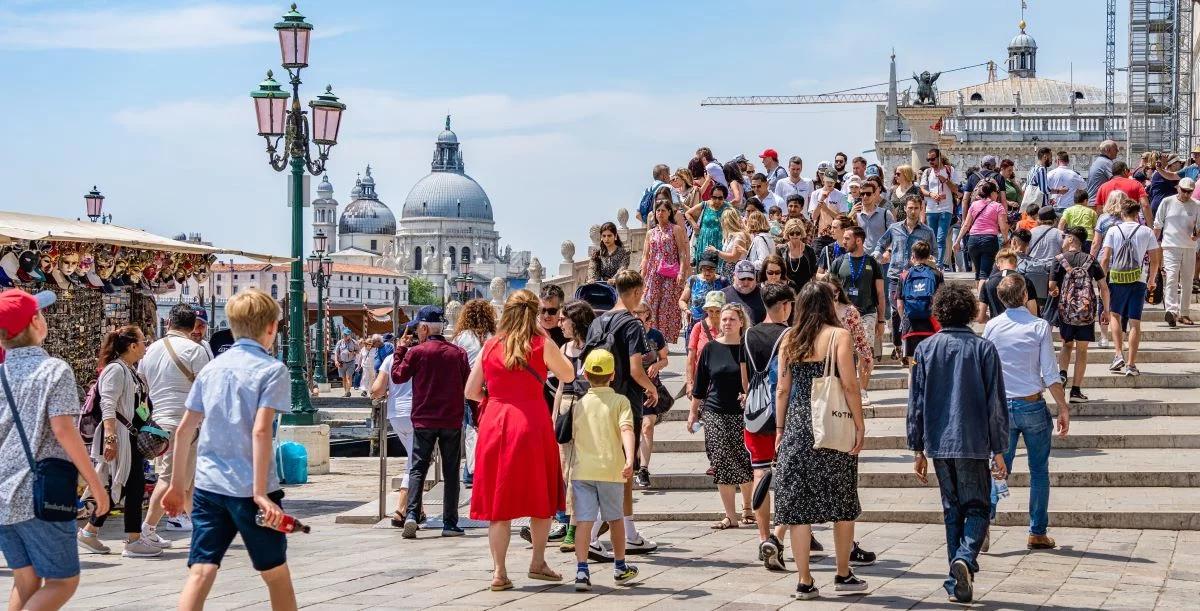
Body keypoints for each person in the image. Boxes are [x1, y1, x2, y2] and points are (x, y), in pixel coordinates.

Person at [161, 288, 297, 610]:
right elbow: (261, 430)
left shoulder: (212, 368)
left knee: (201, 570)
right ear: (271, 328)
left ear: (232, 327)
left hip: (209, 487)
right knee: (275, 573)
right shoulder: (272, 370)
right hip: (250, 489)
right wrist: (261, 493)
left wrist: (178, 487)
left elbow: (184, 430)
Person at [0, 289, 108, 610]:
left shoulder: (2, 373)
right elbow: (64, 431)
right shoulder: (54, 370)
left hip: (4, 494)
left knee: (26, 579)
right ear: (36, 321)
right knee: (63, 581)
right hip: (40, 495)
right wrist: (96, 486)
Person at [467, 290, 577, 590]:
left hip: (495, 423)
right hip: (531, 422)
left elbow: (470, 391)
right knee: (540, 495)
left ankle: (499, 573)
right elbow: (568, 374)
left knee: (498, 504)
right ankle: (537, 562)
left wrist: (495, 399)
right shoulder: (540, 344)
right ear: (534, 314)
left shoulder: (490, 346)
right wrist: (545, 335)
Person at [908, 283, 1008, 604]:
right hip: (973, 440)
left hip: (938, 441)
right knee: (978, 506)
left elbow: (917, 403)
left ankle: (957, 579)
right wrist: (999, 449)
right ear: (968, 311)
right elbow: (996, 404)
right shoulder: (983, 349)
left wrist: (917, 448)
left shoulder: (925, 350)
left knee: (952, 509)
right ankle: (965, 558)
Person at [773, 283, 866, 600]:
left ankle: (805, 581)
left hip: (798, 427)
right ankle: (843, 574)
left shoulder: (789, 338)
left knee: (799, 508)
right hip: (830, 427)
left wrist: (779, 428)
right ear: (828, 304)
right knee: (842, 501)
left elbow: (782, 389)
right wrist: (859, 423)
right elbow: (850, 385)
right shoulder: (839, 336)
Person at [983, 275, 1070, 551]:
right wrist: (1063, 407)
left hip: (1001, 407)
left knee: (998, 469)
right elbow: (1050, 372)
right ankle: (1037, 531)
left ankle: (983, 522)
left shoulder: (992, 327)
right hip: (1031, 403)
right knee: (1039, 471)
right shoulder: (1039, 326)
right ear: (1024, 296)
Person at [584, 271, 659, 559]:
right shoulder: (632, 324)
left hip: (597, 401)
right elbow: (636, 370)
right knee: (624, 468)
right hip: (624, 402)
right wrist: (651, 389)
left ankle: (629, 533)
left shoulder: (596, 322)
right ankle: (596, 536)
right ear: (638, 291)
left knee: (607, 467)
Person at [78, 325, 160, 558]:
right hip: (120, 438)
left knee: (127, 486)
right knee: (122, 484)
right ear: (132, 346)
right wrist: (111, 438)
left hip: (130, 437)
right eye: (144, 341)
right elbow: (108, 405)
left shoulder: (130, 370)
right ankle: (131, 540)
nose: (146, 345)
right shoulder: (116, 370)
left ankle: (93, 532)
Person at [391, 306, 470, 539]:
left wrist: (400, 350)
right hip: (451, 420)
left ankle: (413, 515)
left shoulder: (417, 352)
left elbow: (397, 376)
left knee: (417, 469)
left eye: (418, 327)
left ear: (424, 328)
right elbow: (468, 384)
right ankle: (450, 523)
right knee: (451, 471)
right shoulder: (458, 353)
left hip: (424, 419)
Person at [140, 303, 212, 541]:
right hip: (184, 424)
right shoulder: (195, 350)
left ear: (168, 323)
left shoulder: (150, 350)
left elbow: (142, 382)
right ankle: (146, 531)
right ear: (193, 326)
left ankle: (204, 530)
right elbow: (207, 390)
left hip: (158, 424)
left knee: (187, 480)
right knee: (170, 478)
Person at [570, 349, 640, 591]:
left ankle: (581, 571)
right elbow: (627, 430)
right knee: (615, 520)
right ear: (612, 375)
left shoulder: (579, 404)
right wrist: (630, 458)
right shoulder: (620, 402)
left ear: (586, 375)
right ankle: (620, 567)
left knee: (584, 523)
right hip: (611, 469)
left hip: (583, 471)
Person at [687, 304, 753, 530]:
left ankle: (747, 507)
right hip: (715, 411)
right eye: (724, 319)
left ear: (741, 322)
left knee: (745, 460)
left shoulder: (748, 348)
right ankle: (730, 515)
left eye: (732, 319)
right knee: (721, 461)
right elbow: (700, 384)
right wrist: (693, 412)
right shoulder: (710, 349)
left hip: (743, 412)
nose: (727, 323)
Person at [745, 283, 794, 569]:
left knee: (760, 473)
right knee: (789, 478)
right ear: (785, 305)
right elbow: (785, 385)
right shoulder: (788, 335)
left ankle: (763, 536)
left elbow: (746, 376)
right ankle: (777, 538)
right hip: (781, 415)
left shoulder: (749, 334)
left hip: (754, 411)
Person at [1100, 196, 1162, 376]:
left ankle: (1118, 353)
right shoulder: (1146, 231)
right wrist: (1151, 280)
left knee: (1115, 315)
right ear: (1137, 214)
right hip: (1138, 279)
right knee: (1135, 321)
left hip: (1117, 279)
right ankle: (1131, 364)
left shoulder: (1113, 231)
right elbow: (1154, 259)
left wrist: (1102, 280)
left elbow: (1105, 258)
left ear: (1122, 213)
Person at [554, 300, 596, 552]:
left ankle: (574, 527)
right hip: (568, 407)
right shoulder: (563, 348)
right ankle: (570, 523)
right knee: (566, 470)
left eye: (563, 319)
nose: (560, 323)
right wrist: (554, 418)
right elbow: (560, 387)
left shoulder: (594, 348)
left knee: (581, 470)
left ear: (575, 320)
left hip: (588, 406)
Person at [1050, 226, 1109, 403]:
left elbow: (1052, 286)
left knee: (1066, 345)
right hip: (1086, 312)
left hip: (1066, 311)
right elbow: (1104, 288)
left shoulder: (1059, 259)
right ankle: (1076, 391)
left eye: (1065, 237)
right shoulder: (1091, 260)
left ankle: (1062, 373)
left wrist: (1055, 292)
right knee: (1082, 351)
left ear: (1070, 239)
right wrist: (1105, 310)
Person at [874, 195, 936, 358]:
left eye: (916, 208)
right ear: (905, 208)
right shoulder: (895, 228)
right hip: (896, 275)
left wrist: (931, 262)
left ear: (921, 208)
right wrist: (877, 254)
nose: (913, 211)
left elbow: (935, 253)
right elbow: (881, 243)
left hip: (917, 276)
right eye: (910, 207)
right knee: (896, 310)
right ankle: (898, 344)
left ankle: (909, 342)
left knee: (913, 309)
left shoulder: (927, 231)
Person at [828, 226, 885, 404]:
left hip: (867, 313)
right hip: (842, 314)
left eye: (847, 238)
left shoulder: (872, 263)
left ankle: (863, 390)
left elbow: (880, 293)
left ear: (858, 240)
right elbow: (830, 290)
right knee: (841, 352)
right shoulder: (838, 262)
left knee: (865, 352)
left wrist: (881, 319)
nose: (843, 242)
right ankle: (844, 387)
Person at [371, 325, 415, 527]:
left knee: (413, 459)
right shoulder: (420, 357)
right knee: (415, 463)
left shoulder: (389, 360)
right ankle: (402, 508)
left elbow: (377, 389)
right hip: (416, 414)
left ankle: (417, 509)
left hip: (396, 415)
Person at [451, 299, 497, 489]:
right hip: (492, 388)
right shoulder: (493, 336)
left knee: (471, 429)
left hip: (469, 388)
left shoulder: (461, 337)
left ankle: (471, 472)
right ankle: (485, 469)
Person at [640, 196, 690, 343]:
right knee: (651, 304)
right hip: (653, 274)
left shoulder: (676, 230)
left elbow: (682, 252)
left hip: (671, 274)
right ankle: (652, 339)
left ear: (669, 212)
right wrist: (642, 276)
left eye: (663, 210)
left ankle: (664, 340)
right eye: (657, 211)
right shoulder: (651, 233)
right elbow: (645, 255)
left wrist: (682, 271)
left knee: (667, 307)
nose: (660, 213)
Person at [631, 303, 670, 490]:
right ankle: (634, 462)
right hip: (631, 388)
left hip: (652, 388)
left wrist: (658, 365)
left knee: (647, 426)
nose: (638, 315)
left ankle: (644, 469)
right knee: (633, 428)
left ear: (647, 314)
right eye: (634, 312)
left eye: (641, 312)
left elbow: (665, 358)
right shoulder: (628, 333)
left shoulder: (656, 335)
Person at [1153, 177, 1200, 327]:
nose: (1186, 194)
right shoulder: (1167, 202)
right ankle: (1172, 311)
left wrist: (1197, 234)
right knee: (1172, 277)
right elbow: (1158, 224)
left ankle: (1184, 313)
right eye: (1184, 191)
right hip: (1170, 246)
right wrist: (1152, 246)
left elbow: (1199, 227)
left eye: (1189, 192)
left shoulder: (1197, 205)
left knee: (1187, 281)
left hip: (1189, 246)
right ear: (1178, 188)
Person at [954, 181, 1010, 287]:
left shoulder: (974, 204)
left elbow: (966, 225)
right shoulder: (998, 206)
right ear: (993, 193)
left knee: (978, 273)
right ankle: (982, 301)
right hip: (989, 240)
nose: (997, 195)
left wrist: (957, 241)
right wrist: (1006, 239)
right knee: (985, 274)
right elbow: (1003, 227)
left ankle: (979, 298)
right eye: (997, 192)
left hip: (973, 240)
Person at [897, 241, 944, 364]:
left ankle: (913, 382)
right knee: (931, 364)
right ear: (929, 256)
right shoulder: (937, 274)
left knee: (914, 365)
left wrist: (904, 319)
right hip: (931, 326)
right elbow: (941, 301)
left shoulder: (904, 275)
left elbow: (899, 305)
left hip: (911, 327)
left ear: (913, 255)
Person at [918, 147, 961, 268]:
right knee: (932, 237)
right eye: (928, 159)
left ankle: (938, 264)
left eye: (932, 159)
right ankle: (931, 261)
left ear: (939, 158)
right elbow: (922, 189)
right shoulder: (927, 172)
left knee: (941, 237)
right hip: (931, 209)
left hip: (946, 208)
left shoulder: (949, 170)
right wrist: (932, 194)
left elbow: (956, 189)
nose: (930, 162)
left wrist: (946, 180)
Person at [679, 252, 728, 344]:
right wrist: (686, 310)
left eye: (711, 269)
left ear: (716, 268)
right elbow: (682, 300)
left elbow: (728, 302)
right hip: (696, 323)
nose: (707, 272)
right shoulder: (693, 280)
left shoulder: (723, 282)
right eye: (704, 269)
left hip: (717, 325)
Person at [977, 250, 1038, 322]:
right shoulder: (1025, 281)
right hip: (1021, 327)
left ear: (997, 264)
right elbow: (1033, 314)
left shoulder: (988, 282)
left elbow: (980, 318)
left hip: (998, 327)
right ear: (1016, 263)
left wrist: (991, 320)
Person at [686, 290, 725, 399]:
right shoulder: (699, 327)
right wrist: (689, 383)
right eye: (710, 311)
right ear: (706, 310)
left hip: (724, 380)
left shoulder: (728, 328)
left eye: (718, 311)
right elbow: (691, 358)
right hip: (702, 380)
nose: (714, 314)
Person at [688, 183, 733, 266]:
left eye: (720, 198)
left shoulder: (728, 207)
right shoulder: (705, 204)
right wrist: (694, 225)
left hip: (720, 242)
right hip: (704, 241)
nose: (717, 201)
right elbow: (688, 213)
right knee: (704, 268)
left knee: (718, 268)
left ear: (724, 198)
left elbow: (736, 221)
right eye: (714, 197)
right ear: (711, 196)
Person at [778, 219, 818, 296]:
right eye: (792, 233)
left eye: (798, 233)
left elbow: (814, 273)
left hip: (806, 291)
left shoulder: (809, 250)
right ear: (787, 234)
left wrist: (814, 291)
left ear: (801, 233)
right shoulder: (781, 250)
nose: (795, 235)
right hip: (787, 291)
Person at [854, 179, 895, 254]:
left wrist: (889, 251)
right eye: (862, 194)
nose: (865, 196)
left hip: (882, 258)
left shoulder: (886, 214)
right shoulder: (856, 215)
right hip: (863, 257)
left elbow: (894, 235)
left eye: (868, 193)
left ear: (874, 194)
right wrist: (850, 215)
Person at [721, 260, 766, 325]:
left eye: (750, 279)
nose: (746, 282)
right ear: (734, 276)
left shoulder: (764, 295)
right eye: (742, 278)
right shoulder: (723, 295)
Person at [710, 208, 749, 282]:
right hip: (726, 270)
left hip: (736, 270)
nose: (721, 222)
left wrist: (716, 251)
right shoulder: (728, 235)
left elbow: (734, 257)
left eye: (723, 219)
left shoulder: (739, 235)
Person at [809, 170, 847, 239]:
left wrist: (826, 209)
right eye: (828, 181)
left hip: (835, 235)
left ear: (835, 181)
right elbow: (813, 217)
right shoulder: (815, 194)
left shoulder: (841, 195)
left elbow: (843, 219)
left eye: (832, 181)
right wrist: (821, 200)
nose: (830, 183)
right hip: (819, 235)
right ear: (823, 180)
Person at [1086, 140, 1119, 206]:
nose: (1118, 151)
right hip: (1099, 204)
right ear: (1108, 150)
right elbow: (1118, 180)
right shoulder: (1106, 163)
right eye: (1115, 149)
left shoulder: (1099, 161)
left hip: (1093, 202)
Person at [334, 330, 358, 397]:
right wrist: (336, 361)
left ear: (349, 335)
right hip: (341, 363)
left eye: (346, 335)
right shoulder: (340, 342)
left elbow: (358, 351)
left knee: (348, 377)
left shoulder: (354, 342)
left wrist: (353, 353)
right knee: (343, 378)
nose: (345, 336)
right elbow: (336, 352)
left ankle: (348, 390)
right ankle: (346, 392)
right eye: (344, 335)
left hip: (350, 362)